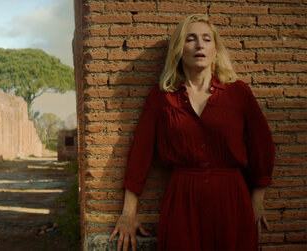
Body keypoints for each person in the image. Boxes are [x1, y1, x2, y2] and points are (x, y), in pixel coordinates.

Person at [109, 14, 275, 250]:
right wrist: (128, 212)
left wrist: (258, 200)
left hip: (232, 200)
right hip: (182, 201)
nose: (199, 45)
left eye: (207, 39)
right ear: (179, 49)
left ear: (215, 50)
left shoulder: (238, 93)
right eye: (191, 39)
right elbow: (140, 153)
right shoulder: (162, 98)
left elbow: (262, 144)